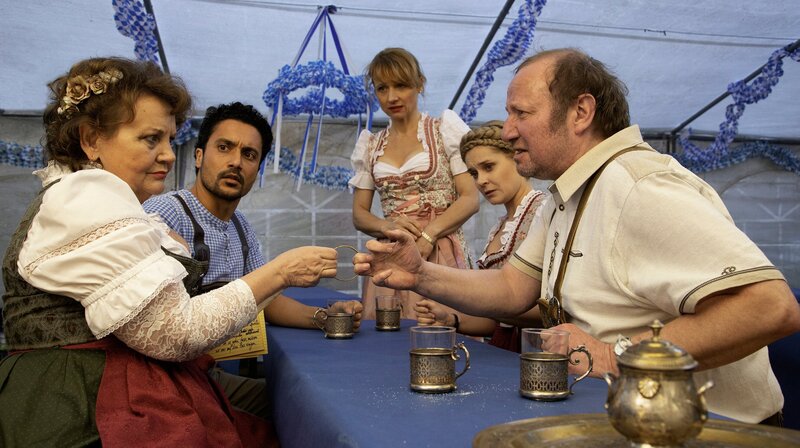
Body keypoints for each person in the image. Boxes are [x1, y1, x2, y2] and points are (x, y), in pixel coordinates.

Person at [354, 48, 800, 425]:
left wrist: (613, 355)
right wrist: (421, 274)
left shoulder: (639, 186)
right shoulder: (565, 196)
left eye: (521, 113)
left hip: (710, 431)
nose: (508, 130)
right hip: (629, 421)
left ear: (581, 112)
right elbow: (512, 288)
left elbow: (769, 307)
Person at [0, 57, 337, 447]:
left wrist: (319, 314)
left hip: (131, 378)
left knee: (296, 407)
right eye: (150, 139)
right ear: (91, 140)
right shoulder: (87, 196)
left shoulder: (114, 203)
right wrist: (281, 271)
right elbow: (175, 333)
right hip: (78, 402)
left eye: (169, 140)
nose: (168, 154)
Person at [143, 102, 363, 418]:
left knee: (315, 397)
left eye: (249, 154)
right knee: (303, 409)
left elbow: (266, 300)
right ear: (199, 156)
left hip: (213, 372)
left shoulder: (241, 227)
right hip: (170, 379)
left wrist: (324, 317)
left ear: (257, 169)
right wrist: (284, 269)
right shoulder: (164, 213)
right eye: (224, 148)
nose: (236, 162)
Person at [349, 47, 479, 319]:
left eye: (401, 85)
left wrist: (429, 236)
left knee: (440, 324)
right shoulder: (370, 145)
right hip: (391, 254)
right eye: (382, 88)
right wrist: (386, 225)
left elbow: (469, 198)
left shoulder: (444, 130)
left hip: (440, 249)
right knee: (388, 327)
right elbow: (359, 214)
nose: (391, 97)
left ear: (420, 84)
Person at [414, 121, 545, 352]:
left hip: (535, 350)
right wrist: (452, 320)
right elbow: (496, 322)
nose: (481, 181)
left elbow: (551, 310)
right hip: (503, 347)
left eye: (489, 167)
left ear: (517, 158)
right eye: (474, 173)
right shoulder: (500, 227)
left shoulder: (543, 213)